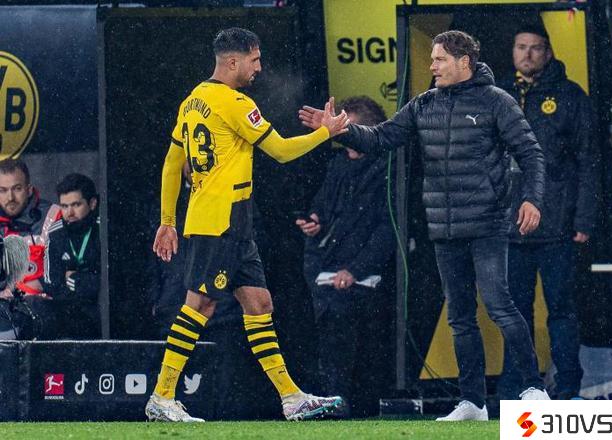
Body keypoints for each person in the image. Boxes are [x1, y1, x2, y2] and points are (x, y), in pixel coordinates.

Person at [300, 30, 550, 421]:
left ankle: (534, 388)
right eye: (433, 59)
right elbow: (381, 138)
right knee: (460, 317)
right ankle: (473, 403)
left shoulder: (496, 101)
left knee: (499, 306)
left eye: (439, 59)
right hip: (444, 229)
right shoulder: (424, 104)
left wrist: (532, 199)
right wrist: (341, 129)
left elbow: (531, 154)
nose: (432, 66)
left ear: (463, 62)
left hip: (486, 224)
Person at [145, 27, 350, 422]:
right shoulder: (235, 102)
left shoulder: (193, 100)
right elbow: (281, 151)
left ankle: (291, 397)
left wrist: (168, 220)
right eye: (254, 60)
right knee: (200, 305)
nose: (259, 67)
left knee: (259, 304)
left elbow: (172, 163)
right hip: (219, 221)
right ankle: (162, 396)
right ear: (233, 61)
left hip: (229, 223)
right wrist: (327, 132)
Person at [497, 25, 600, 400]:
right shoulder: (499, 95)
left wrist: (584, 218)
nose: (527, 54)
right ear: (512, 51)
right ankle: (516, 388)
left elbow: (589, 161)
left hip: (557, 224)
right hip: (511, 227)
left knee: (562, 309)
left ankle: (568, 387)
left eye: (535, 48)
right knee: (514, 312)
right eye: (520, 47)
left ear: (549, 52)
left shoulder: (570, 96)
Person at [296, 96, 396, 418]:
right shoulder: (338, 164)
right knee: (321, 334)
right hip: (325, 269)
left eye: (347, 128)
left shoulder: (388, 169)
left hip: (365, 276)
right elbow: (323, 205)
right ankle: (329, 400)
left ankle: (352, 404)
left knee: (355, 338)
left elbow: (386, 230)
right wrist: (314, 221)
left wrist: (354, 270)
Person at [0, 159, 60, 339]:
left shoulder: (53, 215)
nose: (10, 198)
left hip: (44, 311)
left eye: (17, 189)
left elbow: (65, 273)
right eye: (2, 190)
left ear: (29, 189)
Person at [43, 173, 101, 339]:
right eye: (64, 206)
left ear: (92, 203)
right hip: (69, 313)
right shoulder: (55, 233)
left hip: (104, 310)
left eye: (76, 204)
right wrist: (86, 285)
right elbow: (51, 284)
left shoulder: (104, 228)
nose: (69, 212)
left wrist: (75, 279)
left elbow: (106, 282)